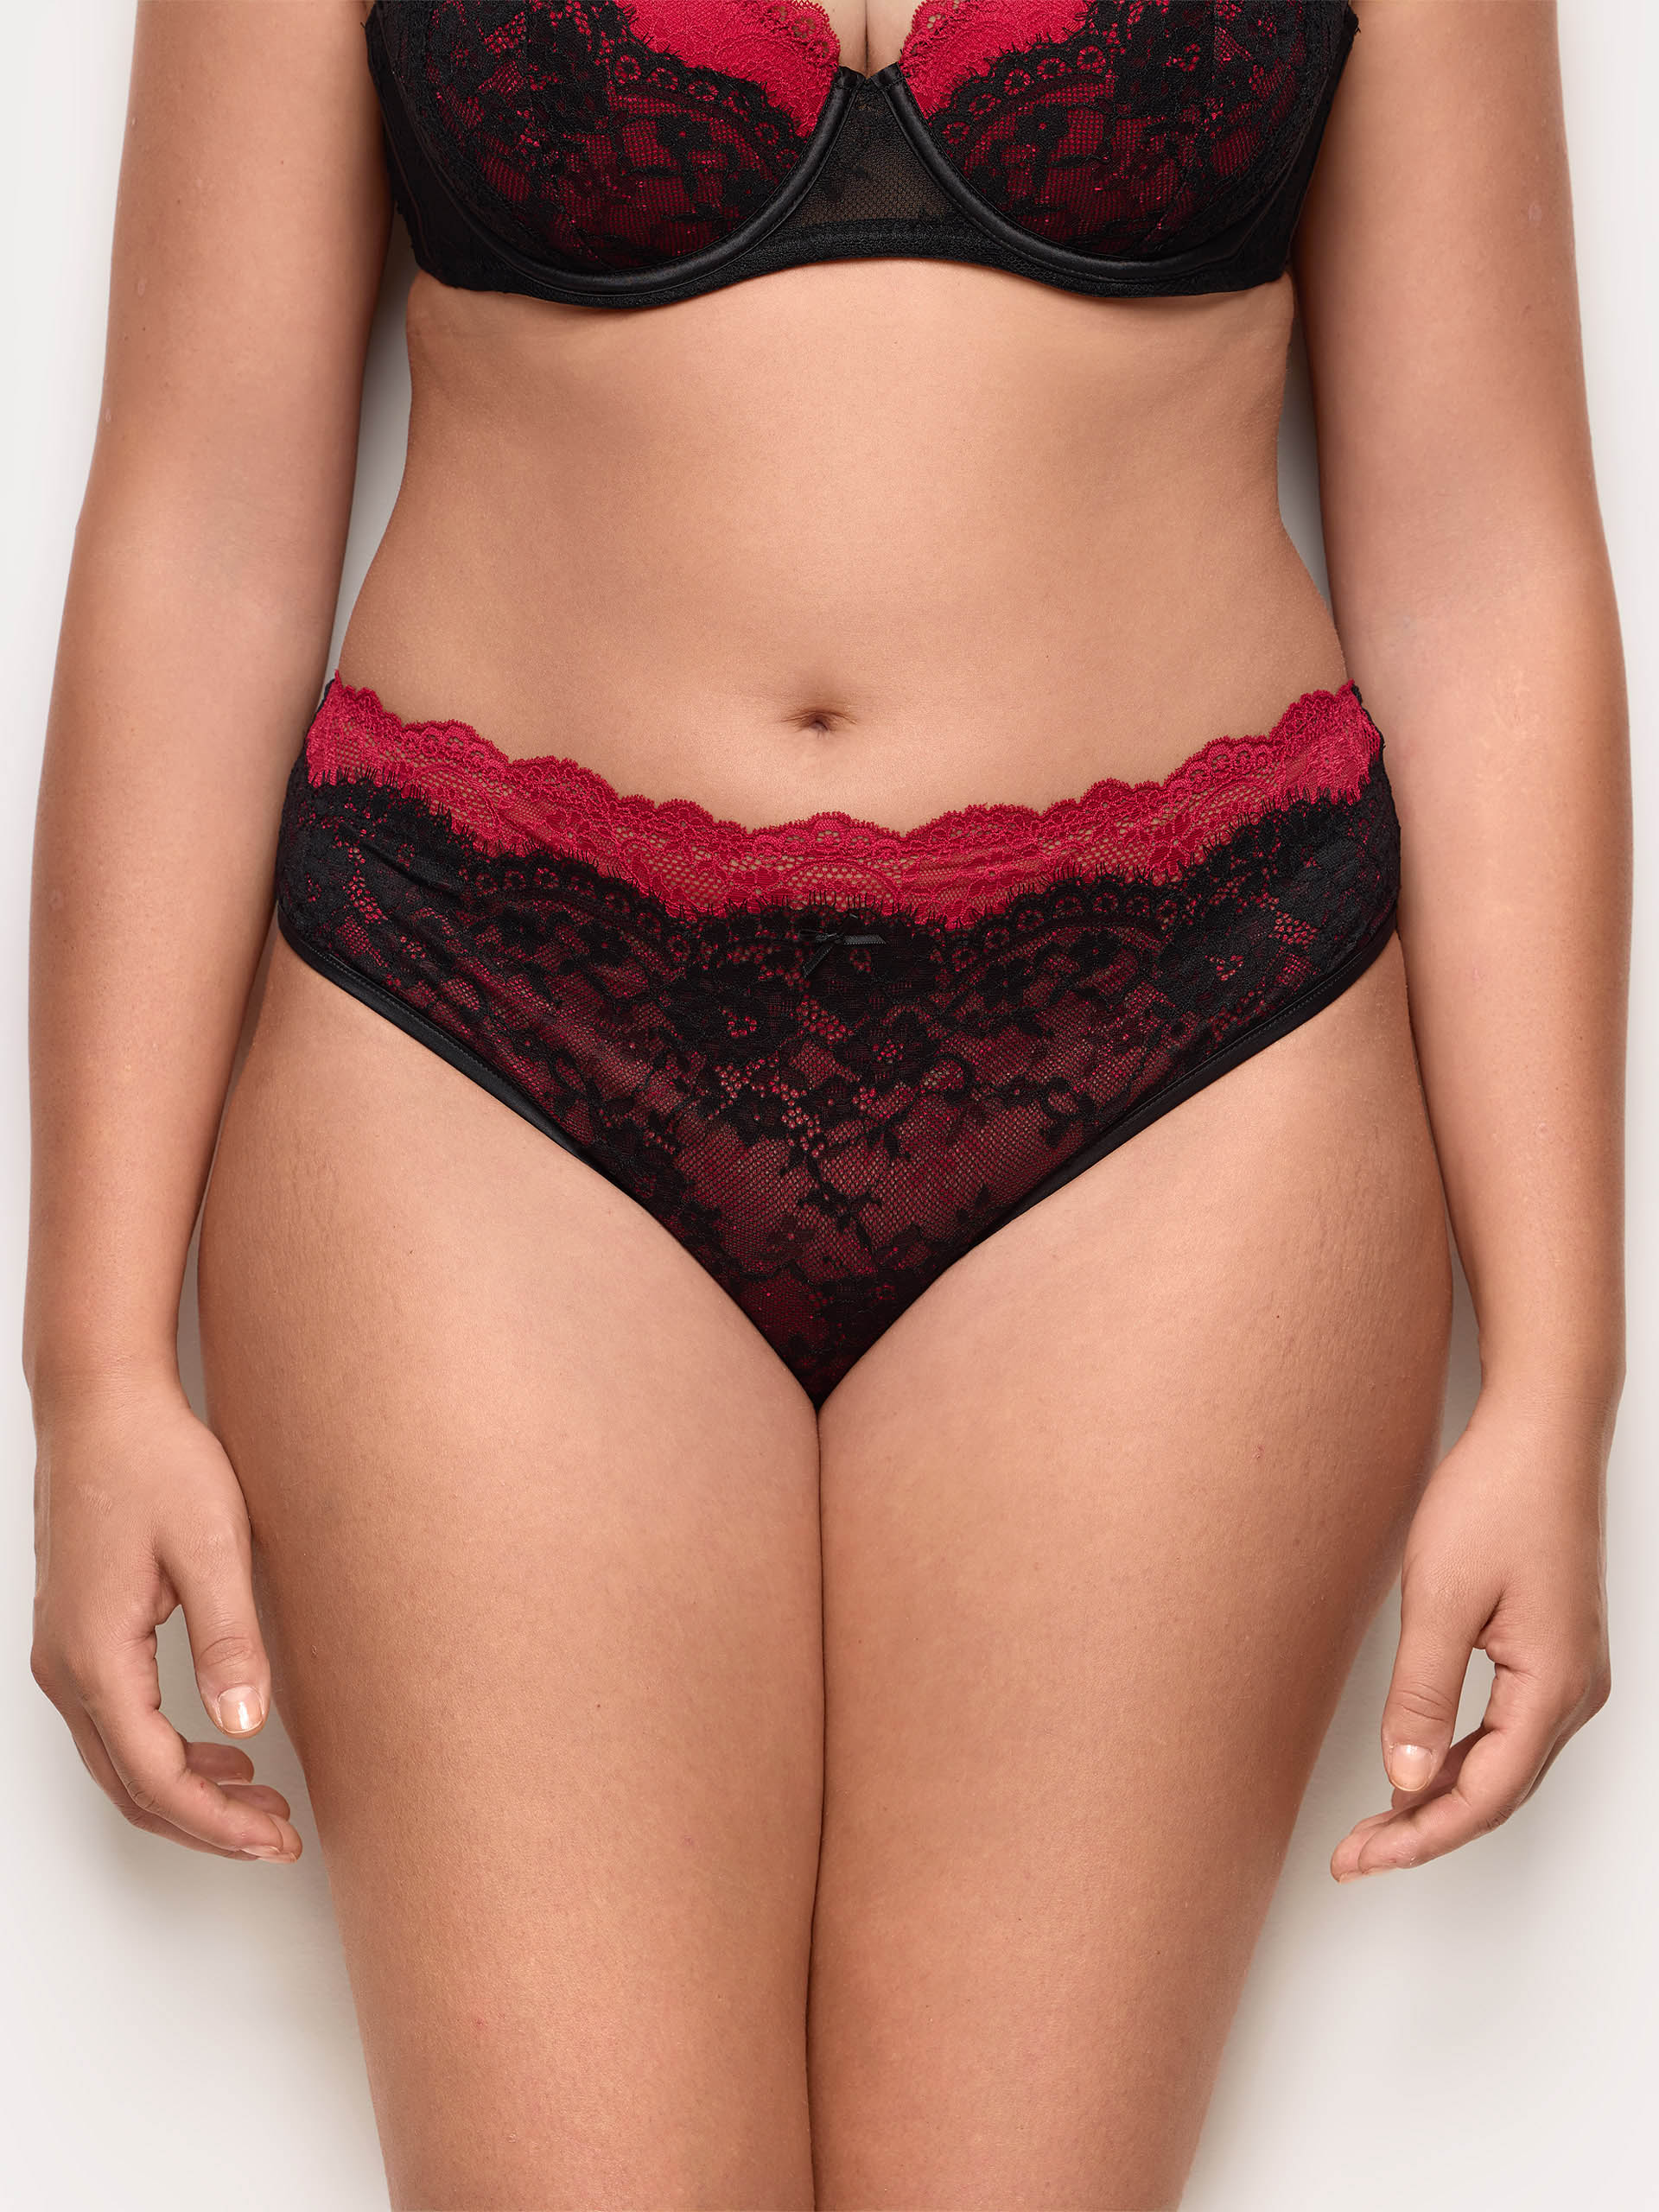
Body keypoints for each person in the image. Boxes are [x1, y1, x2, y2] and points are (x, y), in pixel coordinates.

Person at [23, 1, 1625, 2204]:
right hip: (480, 1037)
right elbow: (200, 528)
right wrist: (91, 1356)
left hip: (1188, 1059)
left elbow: (1487, 555)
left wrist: (1560, 1371)